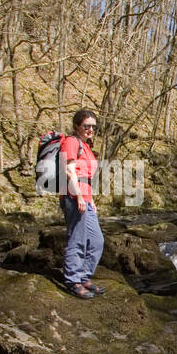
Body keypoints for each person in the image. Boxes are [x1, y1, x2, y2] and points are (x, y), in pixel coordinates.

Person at [59, 109, 105, 299]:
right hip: (73, 196)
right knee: (77, 240)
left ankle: (84, 276)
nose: (90, 129)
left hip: (85, 198)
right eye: (86, 126)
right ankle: (73, 280)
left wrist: (90, 199)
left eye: (93, 126)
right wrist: (78, 197)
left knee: (96, 241)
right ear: (77, 125)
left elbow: (86, 177)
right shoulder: (71, 142)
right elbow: (69, 171)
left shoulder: (86, 147)